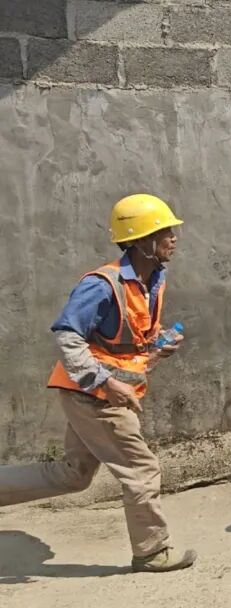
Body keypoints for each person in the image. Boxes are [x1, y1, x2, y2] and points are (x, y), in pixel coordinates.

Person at [0, 194, 196, 573]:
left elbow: (125, 344)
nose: (174, 237)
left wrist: (157, 348)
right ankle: (152, 552)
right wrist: (105, 384)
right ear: (142, 241)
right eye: (165, 231)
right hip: (94, 396)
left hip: (101, 392)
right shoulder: (102, 285)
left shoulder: (153, 281)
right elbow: (67, 336)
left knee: (73, 475)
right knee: (141, 469)